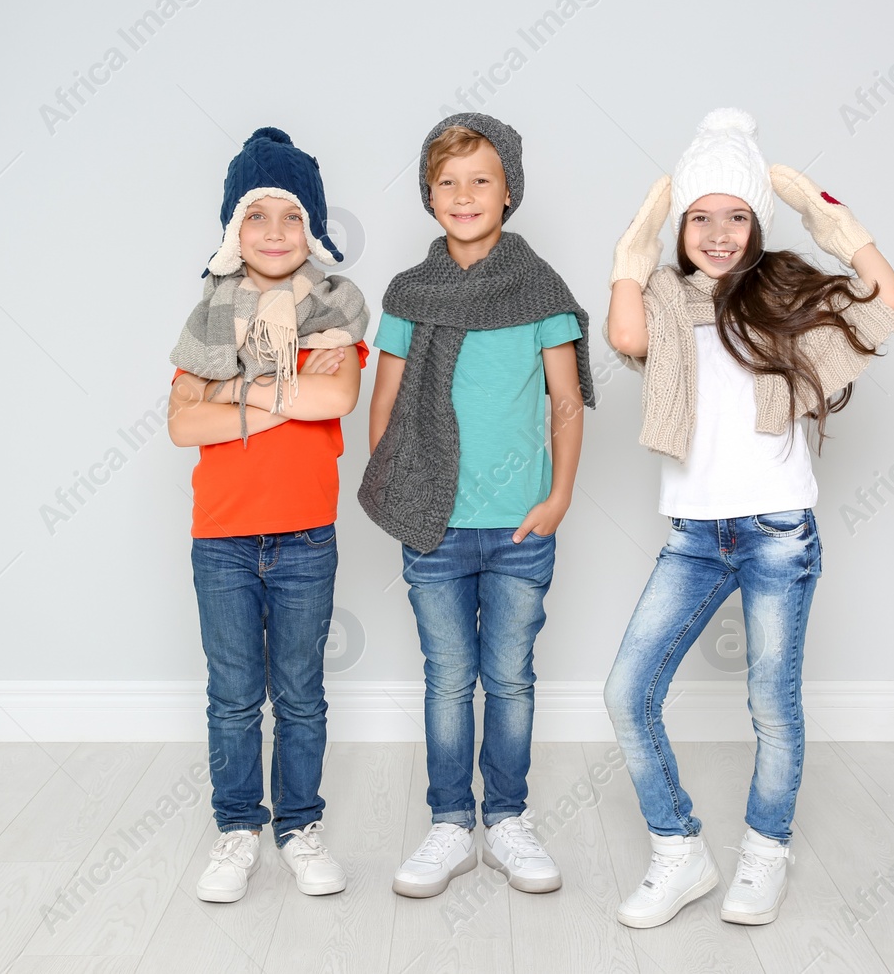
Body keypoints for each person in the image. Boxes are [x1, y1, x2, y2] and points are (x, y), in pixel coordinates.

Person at [602, 108, 894, 928]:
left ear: (758, 226)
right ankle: (680, 851)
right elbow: (623, 329)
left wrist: (830, 220)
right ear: (680, 226)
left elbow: (888, 299)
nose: (718, 232)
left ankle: (766, 852)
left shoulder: (788, 292)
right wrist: (635, 245)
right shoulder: (664, 297)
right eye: (699, 215)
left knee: (772, 702)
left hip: (776, 532)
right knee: (628, 692)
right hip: (695, 536)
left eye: (737, 215)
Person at [361, 113, 595, 899]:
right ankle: (450, 821)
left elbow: (566, 401)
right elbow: (386, 400)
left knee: (511, 676)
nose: (464, 195)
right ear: (430, 195)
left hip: (521, 523)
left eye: (481, 179)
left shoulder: (540, 291)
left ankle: (508, 818)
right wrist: (396, 480)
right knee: (448, 676)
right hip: (436, 522)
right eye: (447, 182)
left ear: (509, 190)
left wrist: (558, 495)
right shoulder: (409, 293)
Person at [167, 127, 369, 903]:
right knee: (233, 694)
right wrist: (274, 392)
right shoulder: (208, 315)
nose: (276, 233)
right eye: (258, 217)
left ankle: (299, 826)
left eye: (291, 216)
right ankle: (237, 828)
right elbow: (182, 425)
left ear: (311, 229)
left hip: (303, 534)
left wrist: (231, 391)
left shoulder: (333, 312)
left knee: (301, 691)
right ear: (233, 230)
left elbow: (336, 397)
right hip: (220, 536)